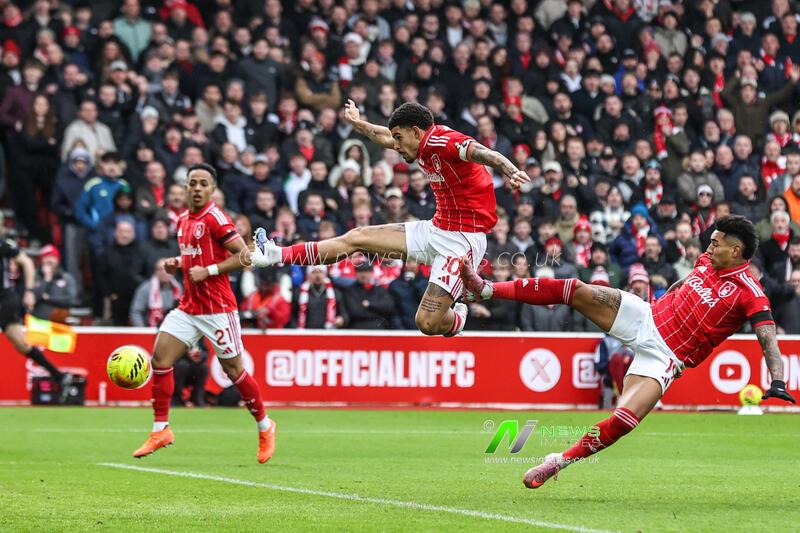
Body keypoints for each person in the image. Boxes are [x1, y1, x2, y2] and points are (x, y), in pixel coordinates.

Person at [459, 215, 795, 488]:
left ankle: (557, 461)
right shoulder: (706, 260)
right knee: (576, 290)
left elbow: (767, 338)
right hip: (646, 316)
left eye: (716, 241)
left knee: (623, 420)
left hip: (665, 357)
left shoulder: (751, 293)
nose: (709, 245)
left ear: (735, 251)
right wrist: (668, 296)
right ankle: (486, 288)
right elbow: (688, 281)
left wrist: (777, 380)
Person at [251, 100, 530, 337]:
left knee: (427, 324)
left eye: (399, 137)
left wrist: (509, 169)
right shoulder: (417, 144)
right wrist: (359, 123)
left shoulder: (445, 141)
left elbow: (482, 152)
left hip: (462, 242)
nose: (395, 145)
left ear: (416, 131)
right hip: (436, 229)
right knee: (357, 237)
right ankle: (275, 253)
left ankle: (456, 319)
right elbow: (383, 136)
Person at [131, 163, 276, 464]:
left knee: (234, 371)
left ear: (212, 189)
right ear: (185, 187)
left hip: (218, 309)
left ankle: (265, 425)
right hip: (189, 307)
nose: (196, 188)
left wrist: (208, 270)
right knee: (160, 359)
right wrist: (177, 264)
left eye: (202, 183)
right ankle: (161, 429)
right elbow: (193, 258)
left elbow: (246, 255)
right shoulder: (183, 219)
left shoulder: (216, 218)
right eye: (192, 183)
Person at [0, 233, 72, 401]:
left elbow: (26, 262)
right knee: (21, 344)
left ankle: (59, 377)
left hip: (4, 299)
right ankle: (60, 376)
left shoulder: (3, 244)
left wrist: (30, 291)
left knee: (21, 343)